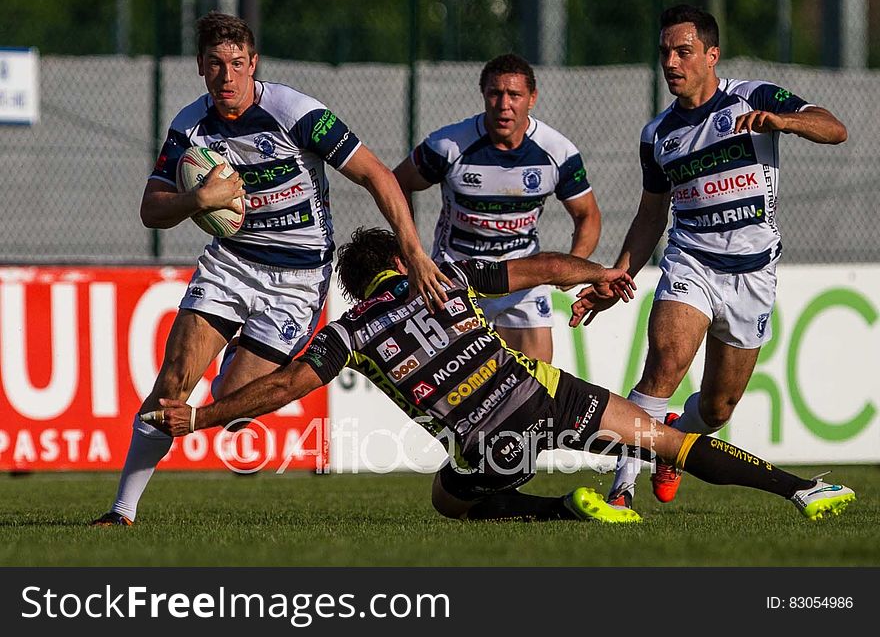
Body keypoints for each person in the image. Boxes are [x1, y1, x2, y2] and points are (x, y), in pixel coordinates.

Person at [144, 227, 855, 524]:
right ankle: (802, 488)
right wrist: (603, 274)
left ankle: (558, 511)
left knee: (447, 499)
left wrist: (201, 419)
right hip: (544, 392)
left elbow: (287, 384)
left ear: (359, 287)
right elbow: (543, 268)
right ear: (402, 260)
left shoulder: (352, 329)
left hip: (492, 438)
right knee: (667, 441)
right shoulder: (445, 277)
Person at [91, 12, 449, 526]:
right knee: (173, 381)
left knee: (232, 410)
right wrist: (199, 198)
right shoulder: (189, 127)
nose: (227, 76)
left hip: (299, 280)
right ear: (200, 68)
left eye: (238, 64)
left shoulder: (294, 111)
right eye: (216, 65)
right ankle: (121, 511)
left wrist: (414, 254)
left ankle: (235, 361)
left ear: (253, 64)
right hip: (231, 264)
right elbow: (152, 209)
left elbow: (376, 174)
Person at [570, 4, 848, 509]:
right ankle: (621, 492)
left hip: (754, 274)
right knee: (665, 365)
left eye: (684, 51)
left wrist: (784, 121)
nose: (671, 62)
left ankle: (674, 442)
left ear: (712, 55)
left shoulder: (754, 96)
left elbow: (834, 128)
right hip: (690, 263)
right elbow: (651, 215)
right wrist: (618, 274)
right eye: (664, 53)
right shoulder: (657, 135)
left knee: (719, 408)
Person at [393, 53, 601, 363]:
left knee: (535, 387)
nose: (504, 104)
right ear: (484, 95)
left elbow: (588, 215)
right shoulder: (448, 145)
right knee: (456, 393)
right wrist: (413, 254)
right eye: (495, 93)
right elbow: (397, 184)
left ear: (532, 98)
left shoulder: (557, 151)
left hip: (522, 277)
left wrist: (575, 263)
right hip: (457, 275)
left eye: (514, 94)